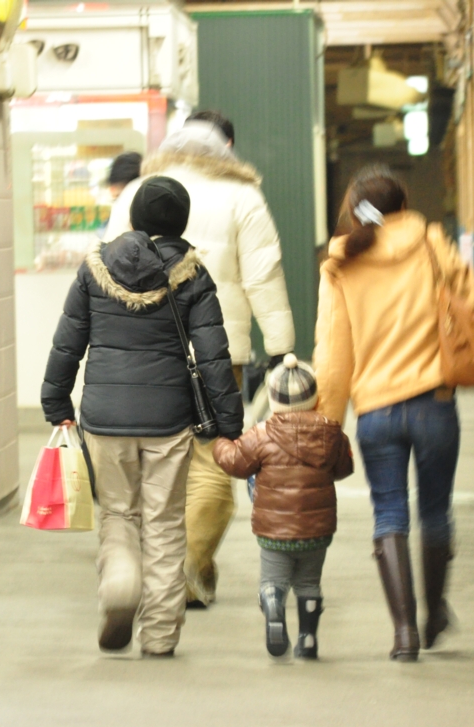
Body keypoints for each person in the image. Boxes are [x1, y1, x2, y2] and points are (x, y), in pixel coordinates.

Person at [312, 165, 474, 662]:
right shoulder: (430, 242)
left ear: (353, 208)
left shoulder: (340, 265)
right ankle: (434, 613)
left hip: (375, 412)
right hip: (434, 403)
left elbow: (333, 354)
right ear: (402, 204)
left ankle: (403, 633)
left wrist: (328, 423)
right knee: (434, 511)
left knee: (388, 513)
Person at [42, 176, 244, 657]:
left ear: (133, 217)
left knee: (117, 513)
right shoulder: (192, 275)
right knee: (164, 524)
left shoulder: (94, 270)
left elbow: (68, 341)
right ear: (182, 222)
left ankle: (120, 585)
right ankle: (159, 634)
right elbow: (215, 358)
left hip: (104, 419)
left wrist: (56, 403)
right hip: (168, 421)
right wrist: (230, 425)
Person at [107, 110, 296, 609]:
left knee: (151, 460)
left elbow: (105, 265)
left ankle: (150, 570)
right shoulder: (243, 197)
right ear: (226, 147)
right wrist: (282, 347)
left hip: (142, 351)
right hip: (217, 354)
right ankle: (190, 567)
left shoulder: (135, 192)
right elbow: (264, 276)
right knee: (212, 460)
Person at [213, 355, 353, 660]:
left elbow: (236, 463)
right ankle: (308, 639)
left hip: (273, 531)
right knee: (308, 583)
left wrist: (220, 442)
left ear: (273, 399)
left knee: (273, 580)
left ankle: (274, 604)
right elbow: (344, 467)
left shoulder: (262, 434)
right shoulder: (331, 432)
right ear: (314, 398)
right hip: (317, 531)